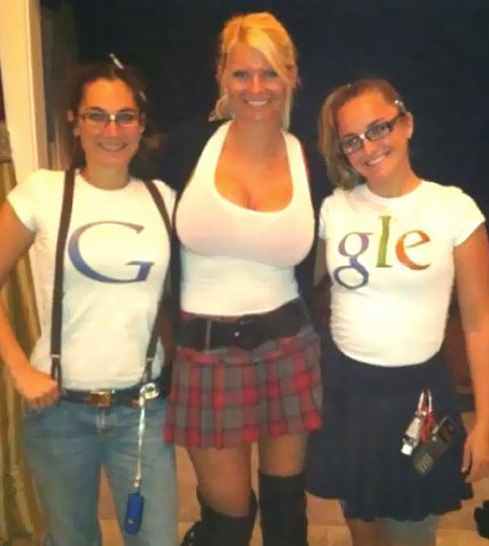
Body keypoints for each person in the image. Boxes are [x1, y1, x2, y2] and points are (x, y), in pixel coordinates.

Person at [0, 60, 177, 545]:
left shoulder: (163, 199)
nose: (111, 130)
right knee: (72, 538)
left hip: (142, 410)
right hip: (60, 410)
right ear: (75, 122)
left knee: (156, 538)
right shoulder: (42, 192)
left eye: (125, 116)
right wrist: (19, 367)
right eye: (96, 116)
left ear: (141, 124)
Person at [305, 78, 489, 546]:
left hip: (420, 400)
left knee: (412, 534)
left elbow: (480, 322)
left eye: (379, 129)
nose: (368, 147)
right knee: (364, 531)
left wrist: (487, 422)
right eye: (352, 140)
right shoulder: (334, 210)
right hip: (346, 395)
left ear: (406, 123)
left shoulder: (454, 209)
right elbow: (300, 287)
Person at [157, 12, 326, 546]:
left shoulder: (311, 160)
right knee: (227, 519)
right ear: (221, 77)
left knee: (286, 509)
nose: (257, 87)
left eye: (270, 72)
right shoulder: (186, 148)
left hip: (289, 346)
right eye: (242, 73)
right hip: (206, 353)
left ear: (291, 76)